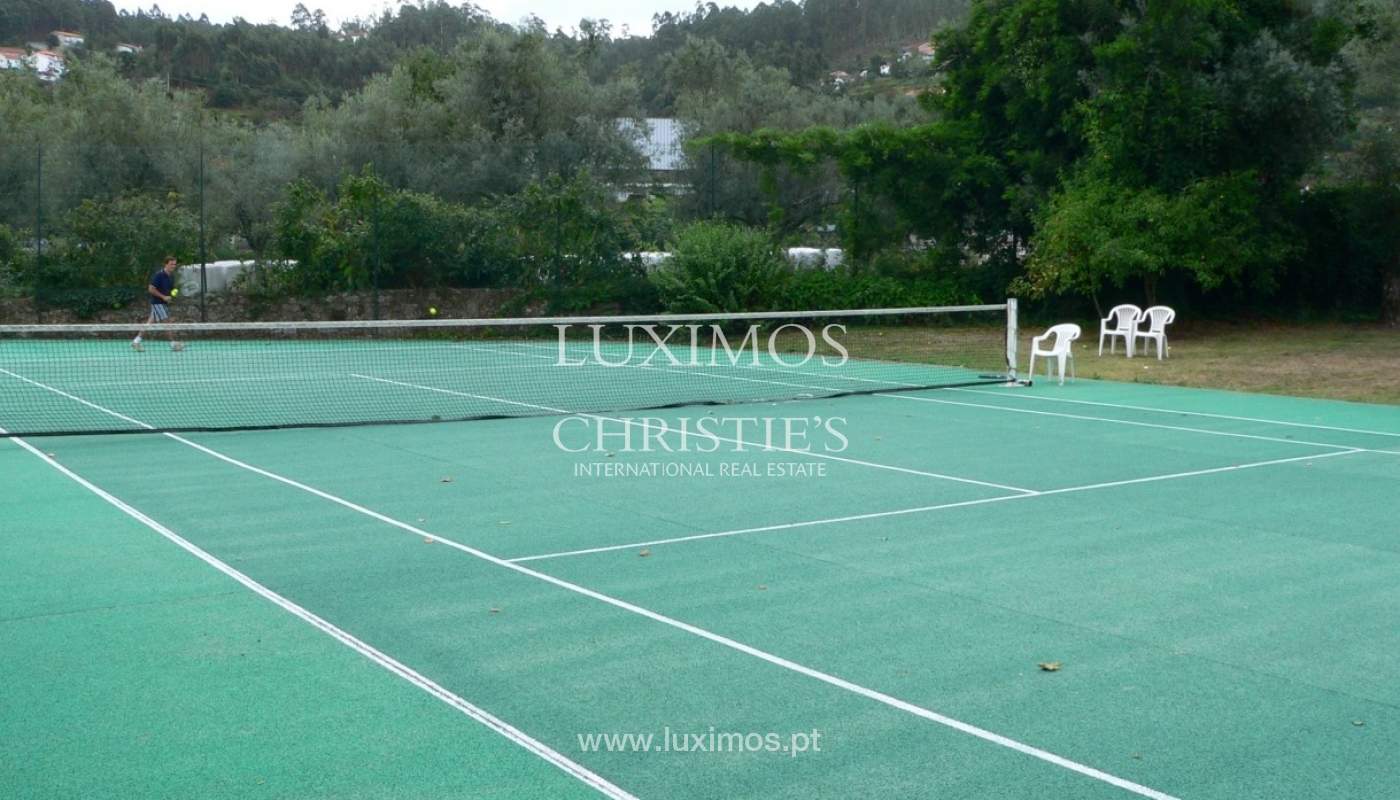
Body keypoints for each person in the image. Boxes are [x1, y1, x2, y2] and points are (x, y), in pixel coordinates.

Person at [132, 256, 184, 352]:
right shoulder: (159, 275)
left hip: (163, 304)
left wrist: (173, 293)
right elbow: (151, 289)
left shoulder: (171, 276)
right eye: (171, 264)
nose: (173, 266)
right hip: (157, 303)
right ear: (166, 264)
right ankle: (173, 344)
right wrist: (163, 297)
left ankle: (136, 341)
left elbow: (171, 290)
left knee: (148, 324)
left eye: (174, 264)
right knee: (167, 323)